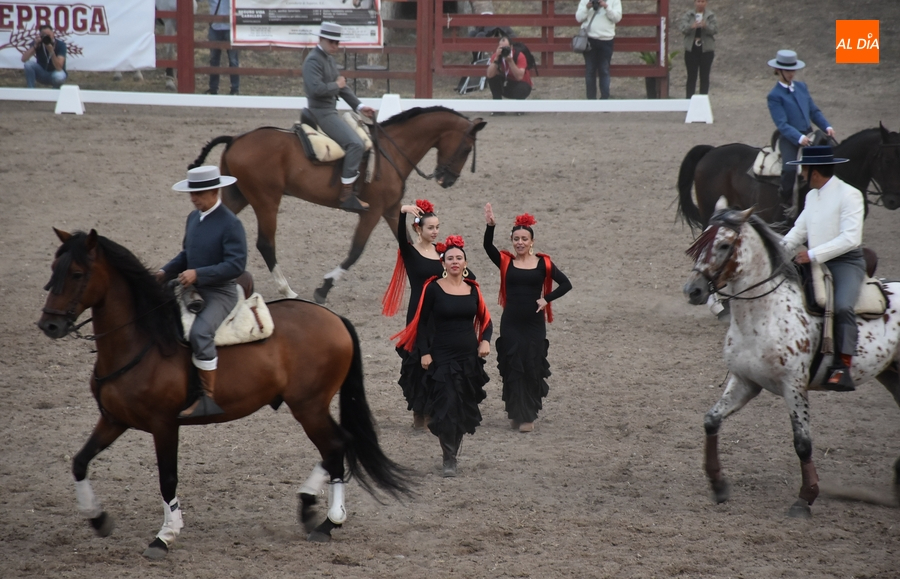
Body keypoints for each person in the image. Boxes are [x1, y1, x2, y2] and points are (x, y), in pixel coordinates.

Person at [393, 235, 492, 477]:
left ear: (465, 262)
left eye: (459, 258)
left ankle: (453, 453)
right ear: (443, 263)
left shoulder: (473, 290)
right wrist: (425, 353)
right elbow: (423, 324)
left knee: (460, 407)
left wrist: (486, 340)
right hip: (441, 356)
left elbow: (486, 321)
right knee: (446, 405)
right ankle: (449, 459)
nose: (455, 262)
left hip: (468, 357)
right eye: (450, 258)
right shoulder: (433, 288)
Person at [156, 165, 248, 418]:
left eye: (199, 193)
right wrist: (164, 272)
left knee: (200, 332)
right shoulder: (193, 218)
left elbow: (236, 265)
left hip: (220, 292)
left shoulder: (231, 224)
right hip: (191, 286)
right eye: (191, 193)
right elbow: (186, 255)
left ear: (215, 191)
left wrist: (199, 274)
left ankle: (207, 398)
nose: (193, 198)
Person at [781, 146, 864, 392]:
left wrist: (813, 254)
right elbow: (800, 229)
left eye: (804, 170)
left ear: (814, 172)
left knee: (842, 306)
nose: (802, 175)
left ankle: (843, 366)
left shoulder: (850, 195)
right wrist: (779, 251)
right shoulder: (812, 196)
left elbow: (850, 238)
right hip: (814, 259)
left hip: (845, 262)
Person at [483, 206, 572, 432]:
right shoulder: (506, 262)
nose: (520, 242)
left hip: (534, 325)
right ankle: (516, 412)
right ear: (512, 241)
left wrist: (546, 299)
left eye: (524, 238)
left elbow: (566, 284)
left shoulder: (544, 264)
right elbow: (487, 246)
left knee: (532, 365)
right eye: (516, 239)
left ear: (531, 241)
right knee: (513, 367)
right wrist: (490, 226)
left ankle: (528, 416)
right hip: (511, 321)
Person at [302, 22, 376, 214]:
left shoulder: (327, 58)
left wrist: (360, 106)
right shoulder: (313, 61)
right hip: (321, 113)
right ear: (322, 39)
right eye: (332, 42)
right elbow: (315, 90)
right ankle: (346, 194)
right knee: (355, 144)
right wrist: (336, 84)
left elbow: (342, 87)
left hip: (330, 111)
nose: (336, 46)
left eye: (337, 42)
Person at [766, 49, 836, 211]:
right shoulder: (774, 95)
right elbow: (782, 124)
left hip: (810, 135)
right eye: (787, 70)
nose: (791, 74)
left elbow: (813, 111)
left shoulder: (802, 87)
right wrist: (798, 138)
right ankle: (784, 204)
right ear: (778, 70)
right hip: (790, 138)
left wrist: (827, 126)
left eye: (793, 70)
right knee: (790, 168)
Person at [575, 0, 622, 100]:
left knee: (604, 70)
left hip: (606, 40)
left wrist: (606, 7)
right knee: (590, 70)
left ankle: (604, 99)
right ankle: (591, 100)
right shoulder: (585, 1)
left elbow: (617, 18)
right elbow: (578, 18)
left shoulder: (614, 1)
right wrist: (587, 7)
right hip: (589, 40)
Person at [680, 0, 717, 98]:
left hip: (706, 49)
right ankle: (689, 101)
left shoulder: (710, 15)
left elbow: (715, 30)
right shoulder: (689, 15)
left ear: (706, 3)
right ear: (695, 2)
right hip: (691, 49)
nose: (700, 4)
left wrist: (706, 26)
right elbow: (682, 28)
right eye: (698, 1)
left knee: (704, 76)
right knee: (691, 76)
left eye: (703, 1)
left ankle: (703, 101)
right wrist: (692, 26)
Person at [486, 33, 533, 105]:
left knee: (522, 88)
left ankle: (519, 107)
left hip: (521, 85)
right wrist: (496, 60)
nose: (504, 50)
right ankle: (497, 107)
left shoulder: (519, 55)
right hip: (506, 84)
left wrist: (510, 61)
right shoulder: (496, 56)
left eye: (506, 48)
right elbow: (489, 75)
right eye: (501, 48)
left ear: (511, 47)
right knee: (493, 78)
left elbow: (519, 77)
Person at [206, 0, 240, 95]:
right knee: (214, 59)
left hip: (230, 28)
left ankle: (235, 88)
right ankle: (213, 88)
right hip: (215, 27)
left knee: (233, 60)